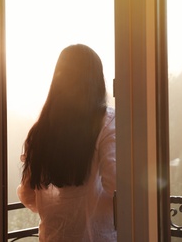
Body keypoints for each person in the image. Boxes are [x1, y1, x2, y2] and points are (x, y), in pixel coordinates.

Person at [17, 44, 116, 241]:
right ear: (97, 80)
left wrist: (58, 203)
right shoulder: (107, 122)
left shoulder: (41, 130)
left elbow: (28, 194)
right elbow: (117, 184)